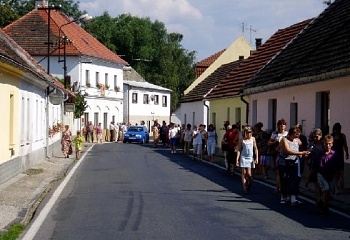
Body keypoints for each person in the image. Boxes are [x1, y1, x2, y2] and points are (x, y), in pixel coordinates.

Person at [278, 125, 309, 206]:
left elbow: (300, 148)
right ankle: (283, 196)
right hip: (284, 162)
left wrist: (303, 154)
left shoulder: (297, 140)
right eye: (296, 134)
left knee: (294, 179)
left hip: (294, 162)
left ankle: (293, 198)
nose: (298, 136)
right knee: (284, 179)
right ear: (292, 134)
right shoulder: (284, 140)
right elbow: (288, 151)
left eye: (298, 135)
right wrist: (301, 153)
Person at [312, 135, 339, 216]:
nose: (328, 146)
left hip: (330, 176)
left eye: (329, 144)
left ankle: (323, 202)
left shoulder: (335, 155)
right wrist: (308, 179)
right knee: (326, 189)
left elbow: (339, 168)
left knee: (330, 193)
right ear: (324, 144)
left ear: (332, 144)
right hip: (321, 175)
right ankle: (325, 206)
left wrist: (341, 179)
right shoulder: (319, 154)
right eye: (326, 144)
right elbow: (314, 168)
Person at [236, 125, 259, 194]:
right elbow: (239, 150)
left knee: (249, 174)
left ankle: (249, 182)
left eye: (250, 132)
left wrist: (257, 158)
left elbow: (255, 148)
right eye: (247, 133)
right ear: (244, 133)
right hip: (243, 157)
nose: (249, 134)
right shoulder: (242, 140)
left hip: (250, 158)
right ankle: (244, 187)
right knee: (244, 173)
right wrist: (237, 159)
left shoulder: (253, 139)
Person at [305, 128, 324, 208]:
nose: (315, 138)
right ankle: (318, 199)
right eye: (314, 137)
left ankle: (323, 198)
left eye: (317, 136)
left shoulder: (324, 144)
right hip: (314, 167)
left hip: (324, 167)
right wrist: (307, 157)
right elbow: (308, 153)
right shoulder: (312, 145)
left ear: (321, 136)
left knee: (322, 184)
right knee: (316, 184)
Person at [268, 118, 288, 194]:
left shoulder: (287, 134)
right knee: (279, 171)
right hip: (277, 154)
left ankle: (283, 187)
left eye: (283, 125)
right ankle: (278, 186)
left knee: (285, 171)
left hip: (286, 154)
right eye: (280, 125)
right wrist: (275, 141)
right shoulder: (275, 133)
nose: (282, 126)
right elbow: (269, 143)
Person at [331, 122, 349, 192]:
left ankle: (341, 182)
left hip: (340, 155)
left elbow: (345, 145)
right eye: (335, 130)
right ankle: (336, 187)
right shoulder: (331, 136)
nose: (336, 131)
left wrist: (347, 153)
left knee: (341, 170)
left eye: (337, 130)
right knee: (335, 171)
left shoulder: (342, 136)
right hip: (333, 156)